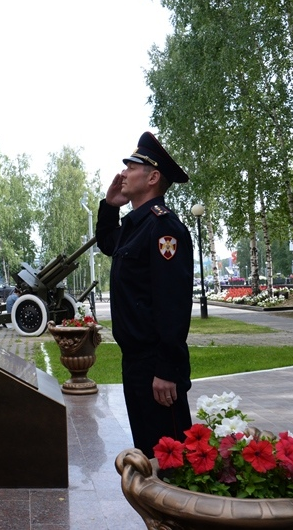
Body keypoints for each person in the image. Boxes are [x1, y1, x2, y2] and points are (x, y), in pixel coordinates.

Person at [95, 131, 193, 459]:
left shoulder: (164, 228)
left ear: (152, 178)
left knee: (169, 461)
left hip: (156, 367)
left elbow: (172, 302)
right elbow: (107, 243)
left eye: (131, 167)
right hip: (136, 362)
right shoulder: (136, 225)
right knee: (148, 454)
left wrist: (167, 369)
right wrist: (110, 207)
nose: (123, 173)